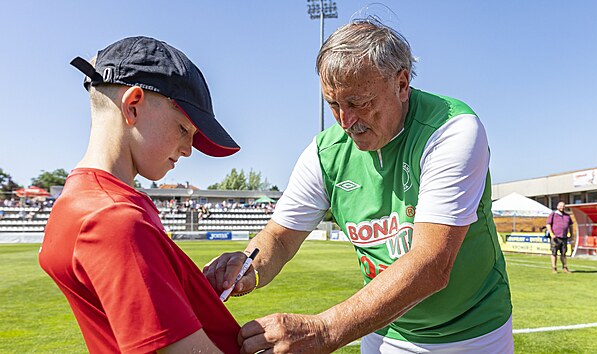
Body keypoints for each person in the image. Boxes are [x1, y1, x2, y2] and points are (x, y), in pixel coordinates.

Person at [205, 19, 513, 353]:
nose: (345, 121)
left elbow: (432, 264)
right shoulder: (325, 152)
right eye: (333, 104)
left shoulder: (452, 130)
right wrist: (248, 267)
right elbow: (279, 237)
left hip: (475, 335)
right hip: (385, 331)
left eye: (359, 102)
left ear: (402, 83)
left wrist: (325, 330)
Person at [39, 36, 242, 353]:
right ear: (132, 106)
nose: (188, 150)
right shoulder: (113, 220)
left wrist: (188, 290)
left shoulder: (90, 200)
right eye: (183, 129)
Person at [546, 201, 573, 273]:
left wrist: (571, 234)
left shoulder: (567, 216)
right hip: (556, 237)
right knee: (554, 253)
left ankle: (564, 267)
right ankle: (554, 268)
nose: (562, 207)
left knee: (564, 254)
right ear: (557, 207)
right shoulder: (553, 214)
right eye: (561, 206)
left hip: (564, 237)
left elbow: (570, 226)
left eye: (563, 206)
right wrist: (551, 234)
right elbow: (548, 224)